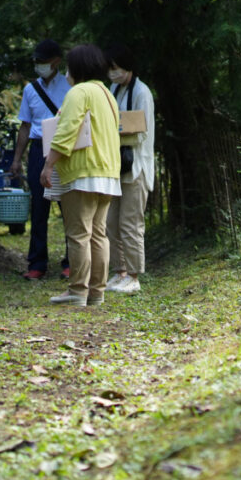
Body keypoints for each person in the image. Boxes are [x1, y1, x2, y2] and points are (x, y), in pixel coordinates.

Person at [40, 44, 121, 307]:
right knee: (98, 234)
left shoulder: (79, 92)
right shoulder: (107, 94)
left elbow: (66, 131)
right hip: (108, 172)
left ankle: (77, 290)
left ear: (77, 68)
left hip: (83, 171)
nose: (65, 72)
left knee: (78, 234)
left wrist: (49, 165)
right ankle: (96, 292)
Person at [9, 39, 71, 280]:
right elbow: (25, 126)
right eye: (36, 61)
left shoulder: (69, 86)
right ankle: (37, 263)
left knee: (68, 205)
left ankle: (71, 261)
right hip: (37, 149)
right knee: (38, 207)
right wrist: (17, 159)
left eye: (42, 61)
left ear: (56, 61)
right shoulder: (30, 89)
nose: (38, 65)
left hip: (63, 149)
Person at [103, 44, 155, 295]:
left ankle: (134, 276)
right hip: (116, 165)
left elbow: (140, 129)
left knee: (131, 224)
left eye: (116, 68)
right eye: (110, 69)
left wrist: (114, 129)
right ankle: (119, 272)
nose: (112, 73)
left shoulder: (142, 91)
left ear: (127, 67)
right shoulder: (115, 89)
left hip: (136, 166)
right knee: (111, 222)